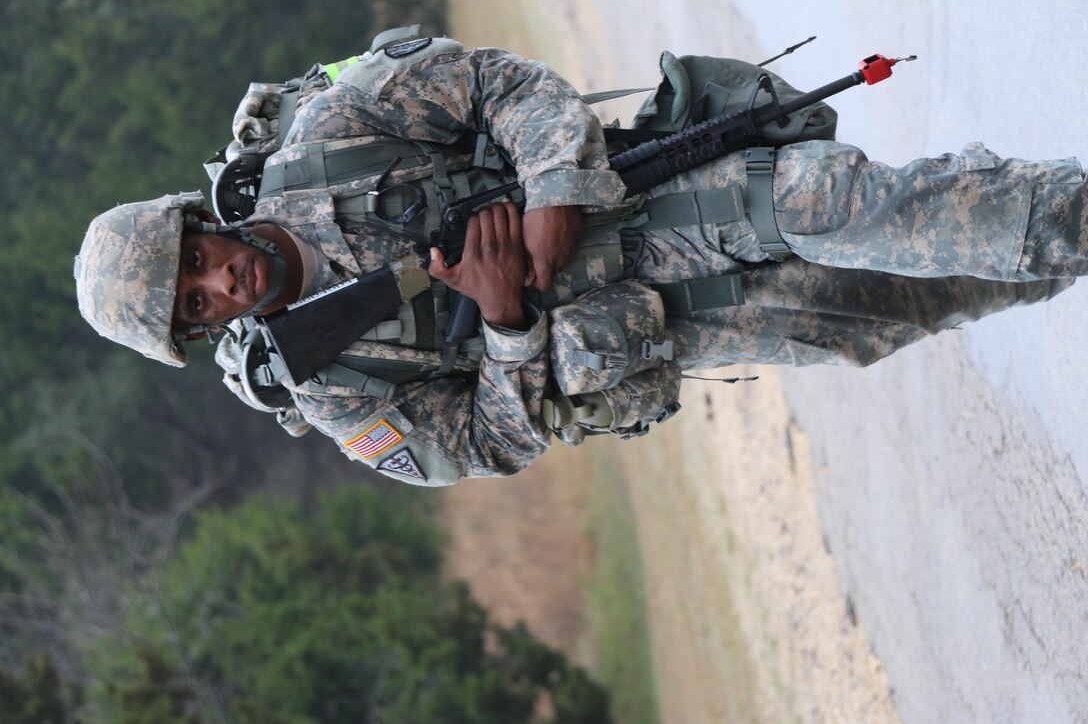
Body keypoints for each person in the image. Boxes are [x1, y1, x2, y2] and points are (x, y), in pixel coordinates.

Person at [75, 28, 1086, 486]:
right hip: (695, 318)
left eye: (195, 256)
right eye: (195, 302)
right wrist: (507, 322)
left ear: (196, 221)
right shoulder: (329, 387)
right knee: (933, 295)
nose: (217, 279)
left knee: (887, 206)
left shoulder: (331, 135)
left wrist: (554, 189)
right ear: (203, 330)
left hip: (672, 193)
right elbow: (480, 447)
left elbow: (502, 87)